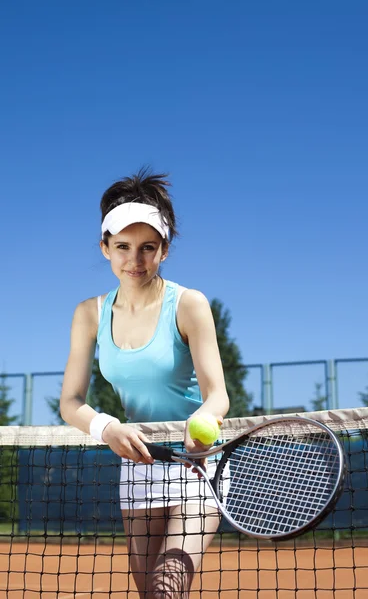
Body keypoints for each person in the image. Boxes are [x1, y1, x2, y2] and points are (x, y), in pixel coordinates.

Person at [60, 168, 230, 598]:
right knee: (149, 595)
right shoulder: (88, 314)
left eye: (147, 248)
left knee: (167, 586)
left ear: (164, 251)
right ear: (104, 248)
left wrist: (202, 422)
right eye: (122, 247)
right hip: (138, 464)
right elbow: (71, 401)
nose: (134, 261)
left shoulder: (189, 304)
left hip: (198, 464)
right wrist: (107, 428)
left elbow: (217, 396)